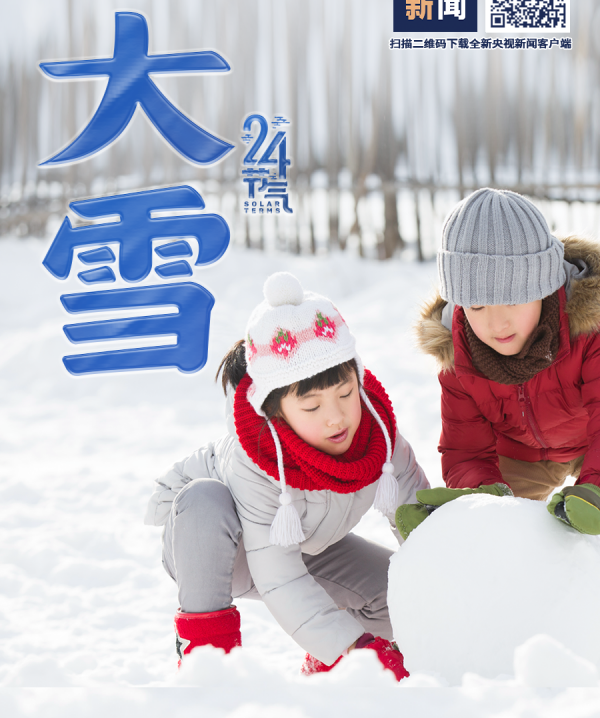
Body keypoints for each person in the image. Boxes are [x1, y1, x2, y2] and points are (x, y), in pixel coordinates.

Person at [145, 271, 429, 678]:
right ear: (275, 410)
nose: (335, 418)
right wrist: (350, 648)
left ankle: (326, 671)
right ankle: (207, 662)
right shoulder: (254, 457)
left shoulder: (378, 437)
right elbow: (281, 579)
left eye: (346, 394)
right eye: (312, 408)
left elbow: (418, 522)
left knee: (398, 595)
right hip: (220, 547)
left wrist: (447, 583)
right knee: (204, 499)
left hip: (307, 541)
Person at [396, 187, 600, 540]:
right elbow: (466, 448)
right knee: (493, 534)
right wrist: (480, 495)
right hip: (524, 455)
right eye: (476, 306)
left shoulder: (589, 329)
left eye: (515, 301)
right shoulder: (459, 349)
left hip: (591, 439)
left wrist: (595, 488)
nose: (496, 324)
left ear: (546, 287)